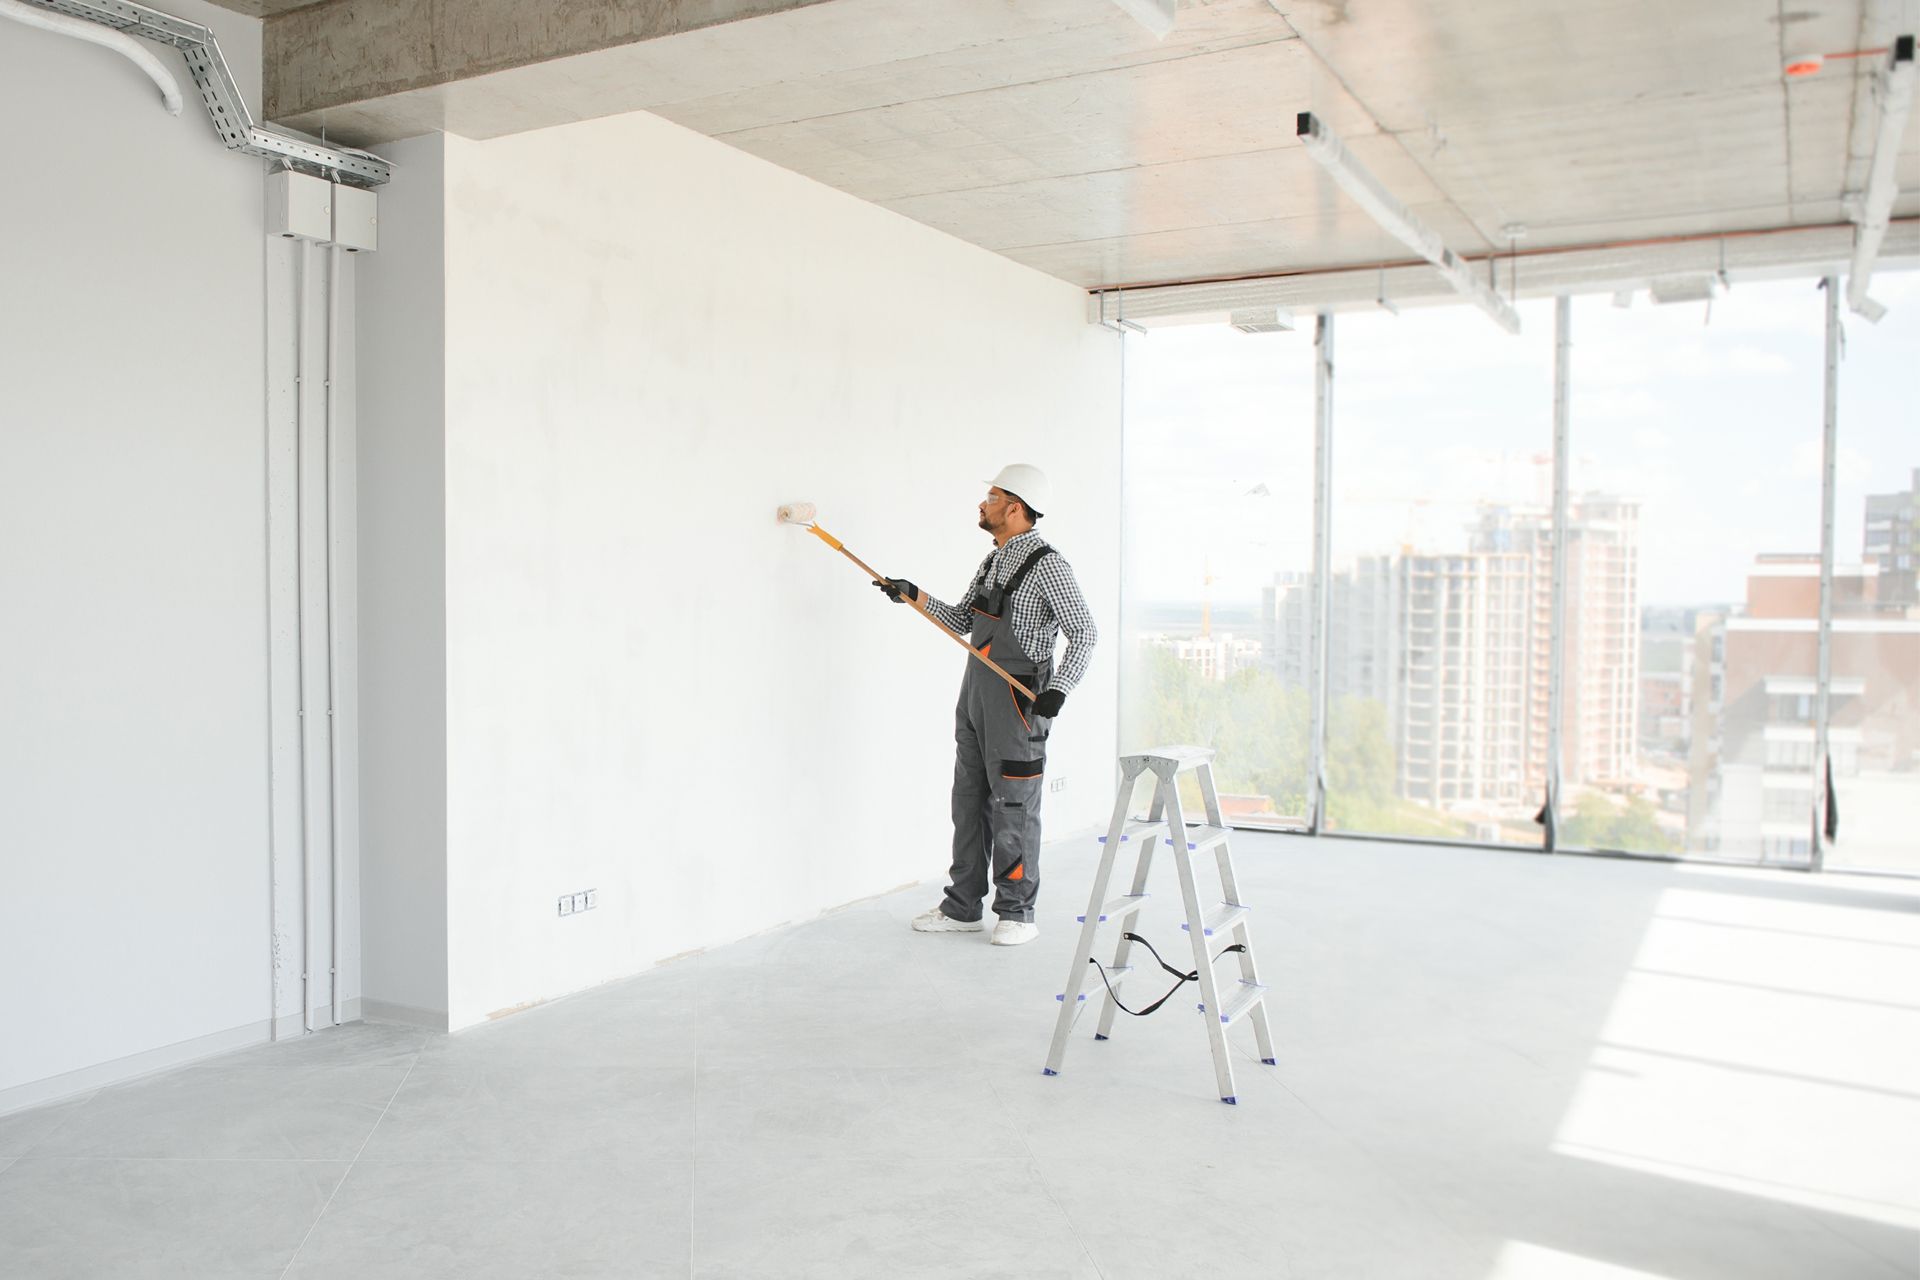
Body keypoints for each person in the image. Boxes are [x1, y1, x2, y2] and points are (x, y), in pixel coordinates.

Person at [873, 464, 1098, 946]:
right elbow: (958, 619)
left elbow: (1084, 631)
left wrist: (1061, 687)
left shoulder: (1048, 565)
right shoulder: (992, 561)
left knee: (1014, 804)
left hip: (1018, 701)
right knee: (968, 799)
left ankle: (1017, 913)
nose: (983, 504)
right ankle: (963, 906)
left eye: (992, 497)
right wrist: (912, 595)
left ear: (1015, 508)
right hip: (975, 692)